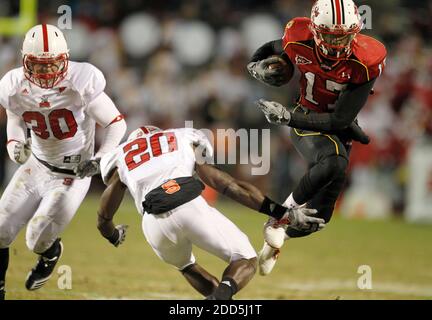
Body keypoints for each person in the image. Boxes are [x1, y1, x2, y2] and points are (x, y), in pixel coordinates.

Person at [97, 126, 325, 300]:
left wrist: (112, 234)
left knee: (186, 266)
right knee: (246, 259)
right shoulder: (180, 137)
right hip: (186, 203)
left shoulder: (122, 157)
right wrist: (281, 212)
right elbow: (228, 185)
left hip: (152, 224)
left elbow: (104, 215)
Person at [247, 0, 386, 275]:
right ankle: (280, 218)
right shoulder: (299, 36)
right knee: (334, 162)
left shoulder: (367, 58)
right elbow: (272, 48)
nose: (338, 43)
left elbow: (339, 120)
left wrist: (286, 117)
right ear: (315, 30)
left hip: (334, 124)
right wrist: (254, 66)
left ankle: (276, 241)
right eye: (331, 35)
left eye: (344, 36)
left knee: (318, 219)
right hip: (305, 114)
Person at [0, 24, 127, 299]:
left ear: (65, 60)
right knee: (0, 229)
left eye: (52, 64)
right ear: (25, 62)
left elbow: (116, 123)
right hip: (36, 165)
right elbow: (14, 119)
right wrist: (14, 144)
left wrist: (100, 159)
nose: (46, 72)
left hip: (72, 175)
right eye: (38, 65)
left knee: (36, 238)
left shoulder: (81, 81)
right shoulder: (13, 85)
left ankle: (50, 253)